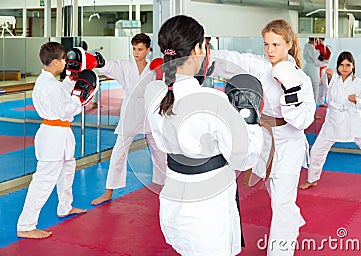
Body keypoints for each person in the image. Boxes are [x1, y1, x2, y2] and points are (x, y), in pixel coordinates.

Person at [144, 15, 264, 255]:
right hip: (208, 208)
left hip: (174, 198)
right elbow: (244, 158)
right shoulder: (212, 100)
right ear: (199, 49)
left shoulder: (152, 92)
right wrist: (249, 118)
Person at [211, 20, 315, 256]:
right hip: (265, 139)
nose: (269, 50)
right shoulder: (258, 66)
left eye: (276, 45)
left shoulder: (303, 80)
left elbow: (303, 122)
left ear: (288, 44)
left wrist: (291, 92)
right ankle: (293, 221)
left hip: (290, 144)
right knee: (275, 192)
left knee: (282, 204)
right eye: (266, 44)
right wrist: (201, 55)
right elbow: (232, 60)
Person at [300, 51, 361, 197]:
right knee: (317, 151)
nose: (345, 68)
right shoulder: (333, 78)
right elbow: (326, 90)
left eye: (348, 65)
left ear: (353, 66)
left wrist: (356, 101)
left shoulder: (358, 83)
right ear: (338, 66)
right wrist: (328, 76)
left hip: (354, 121)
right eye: (341, 65)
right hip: (333, 121)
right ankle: (312, 179)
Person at [16, 42, 90, 239]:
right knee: (44, 180)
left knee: (67, 171)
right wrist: (80, 98)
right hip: (53, 135)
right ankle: (26, 225)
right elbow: (65, 109)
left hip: (61, 134)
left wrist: (71, 80)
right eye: (64, 60)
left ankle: (65, 207)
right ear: (56, 61)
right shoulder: (48, 84)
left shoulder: (49, 81)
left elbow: (61, 93)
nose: (66, 62)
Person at [91, 33, 167, 205]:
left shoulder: (155, 69)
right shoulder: (126, 67)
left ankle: (165, 185)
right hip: (130, 113)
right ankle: (109, 191)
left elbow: (165, 85)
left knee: (160, 152)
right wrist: (101, 63)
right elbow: (112, 66)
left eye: (140, 49)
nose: (136, 53)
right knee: (118, 152)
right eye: (134, 49)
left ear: (148, 50)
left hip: (149, 112)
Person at [78, 40, 103, 108]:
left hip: (78, 74)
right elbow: (94, 51)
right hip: (87, 75)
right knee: (94, 88)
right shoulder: (88, 53)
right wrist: (100, 49)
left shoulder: (78, 54)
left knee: (79, 90)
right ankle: (94, 103)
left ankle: (81, 104)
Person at [303, 37, 326, 103]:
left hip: (306, 67)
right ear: (316, 39)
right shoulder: (313, 48)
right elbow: (316, 61)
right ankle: (313, 107)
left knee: (306, 88)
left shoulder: (306, 46)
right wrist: (323, 59)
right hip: (313, 69)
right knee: (315, 88)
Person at [315, 38, 331, 107]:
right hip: (317, 69)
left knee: (325, 87)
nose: (320, 41)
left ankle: (323, 101)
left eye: (321, 40)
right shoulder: (315, 48)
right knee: (316, 86)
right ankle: (315, 102)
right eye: (319, 40)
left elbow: (327, 60)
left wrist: (324, 58)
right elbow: (315, 61)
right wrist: (319, 58)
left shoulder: (326, 49)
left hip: (324, 70)